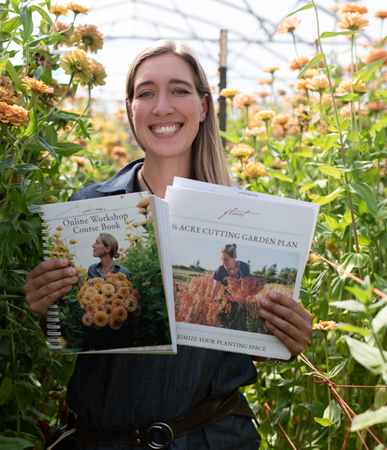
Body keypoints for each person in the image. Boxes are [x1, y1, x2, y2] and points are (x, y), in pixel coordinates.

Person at [23, 40, 313, 450]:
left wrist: (287, 337)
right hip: (103, 441)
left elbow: (242, 348)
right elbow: (69, 333)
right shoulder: (88, 208)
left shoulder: (246, 217)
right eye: (146, 93)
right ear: (130, 110)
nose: (162, 107)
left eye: (179, 90)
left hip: (215, 440)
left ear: (204, 106)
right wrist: (45, 307)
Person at [211, 244, 251, 331]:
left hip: (240, 304)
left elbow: (247, 287)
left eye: (226, 259)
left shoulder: (244, 267)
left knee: (240, 327)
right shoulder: (220, 270)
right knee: (225, 326)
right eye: (222, 259)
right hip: (226, 302)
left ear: (234, 257)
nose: (223, 262)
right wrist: (211, 305)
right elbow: (215, 290)